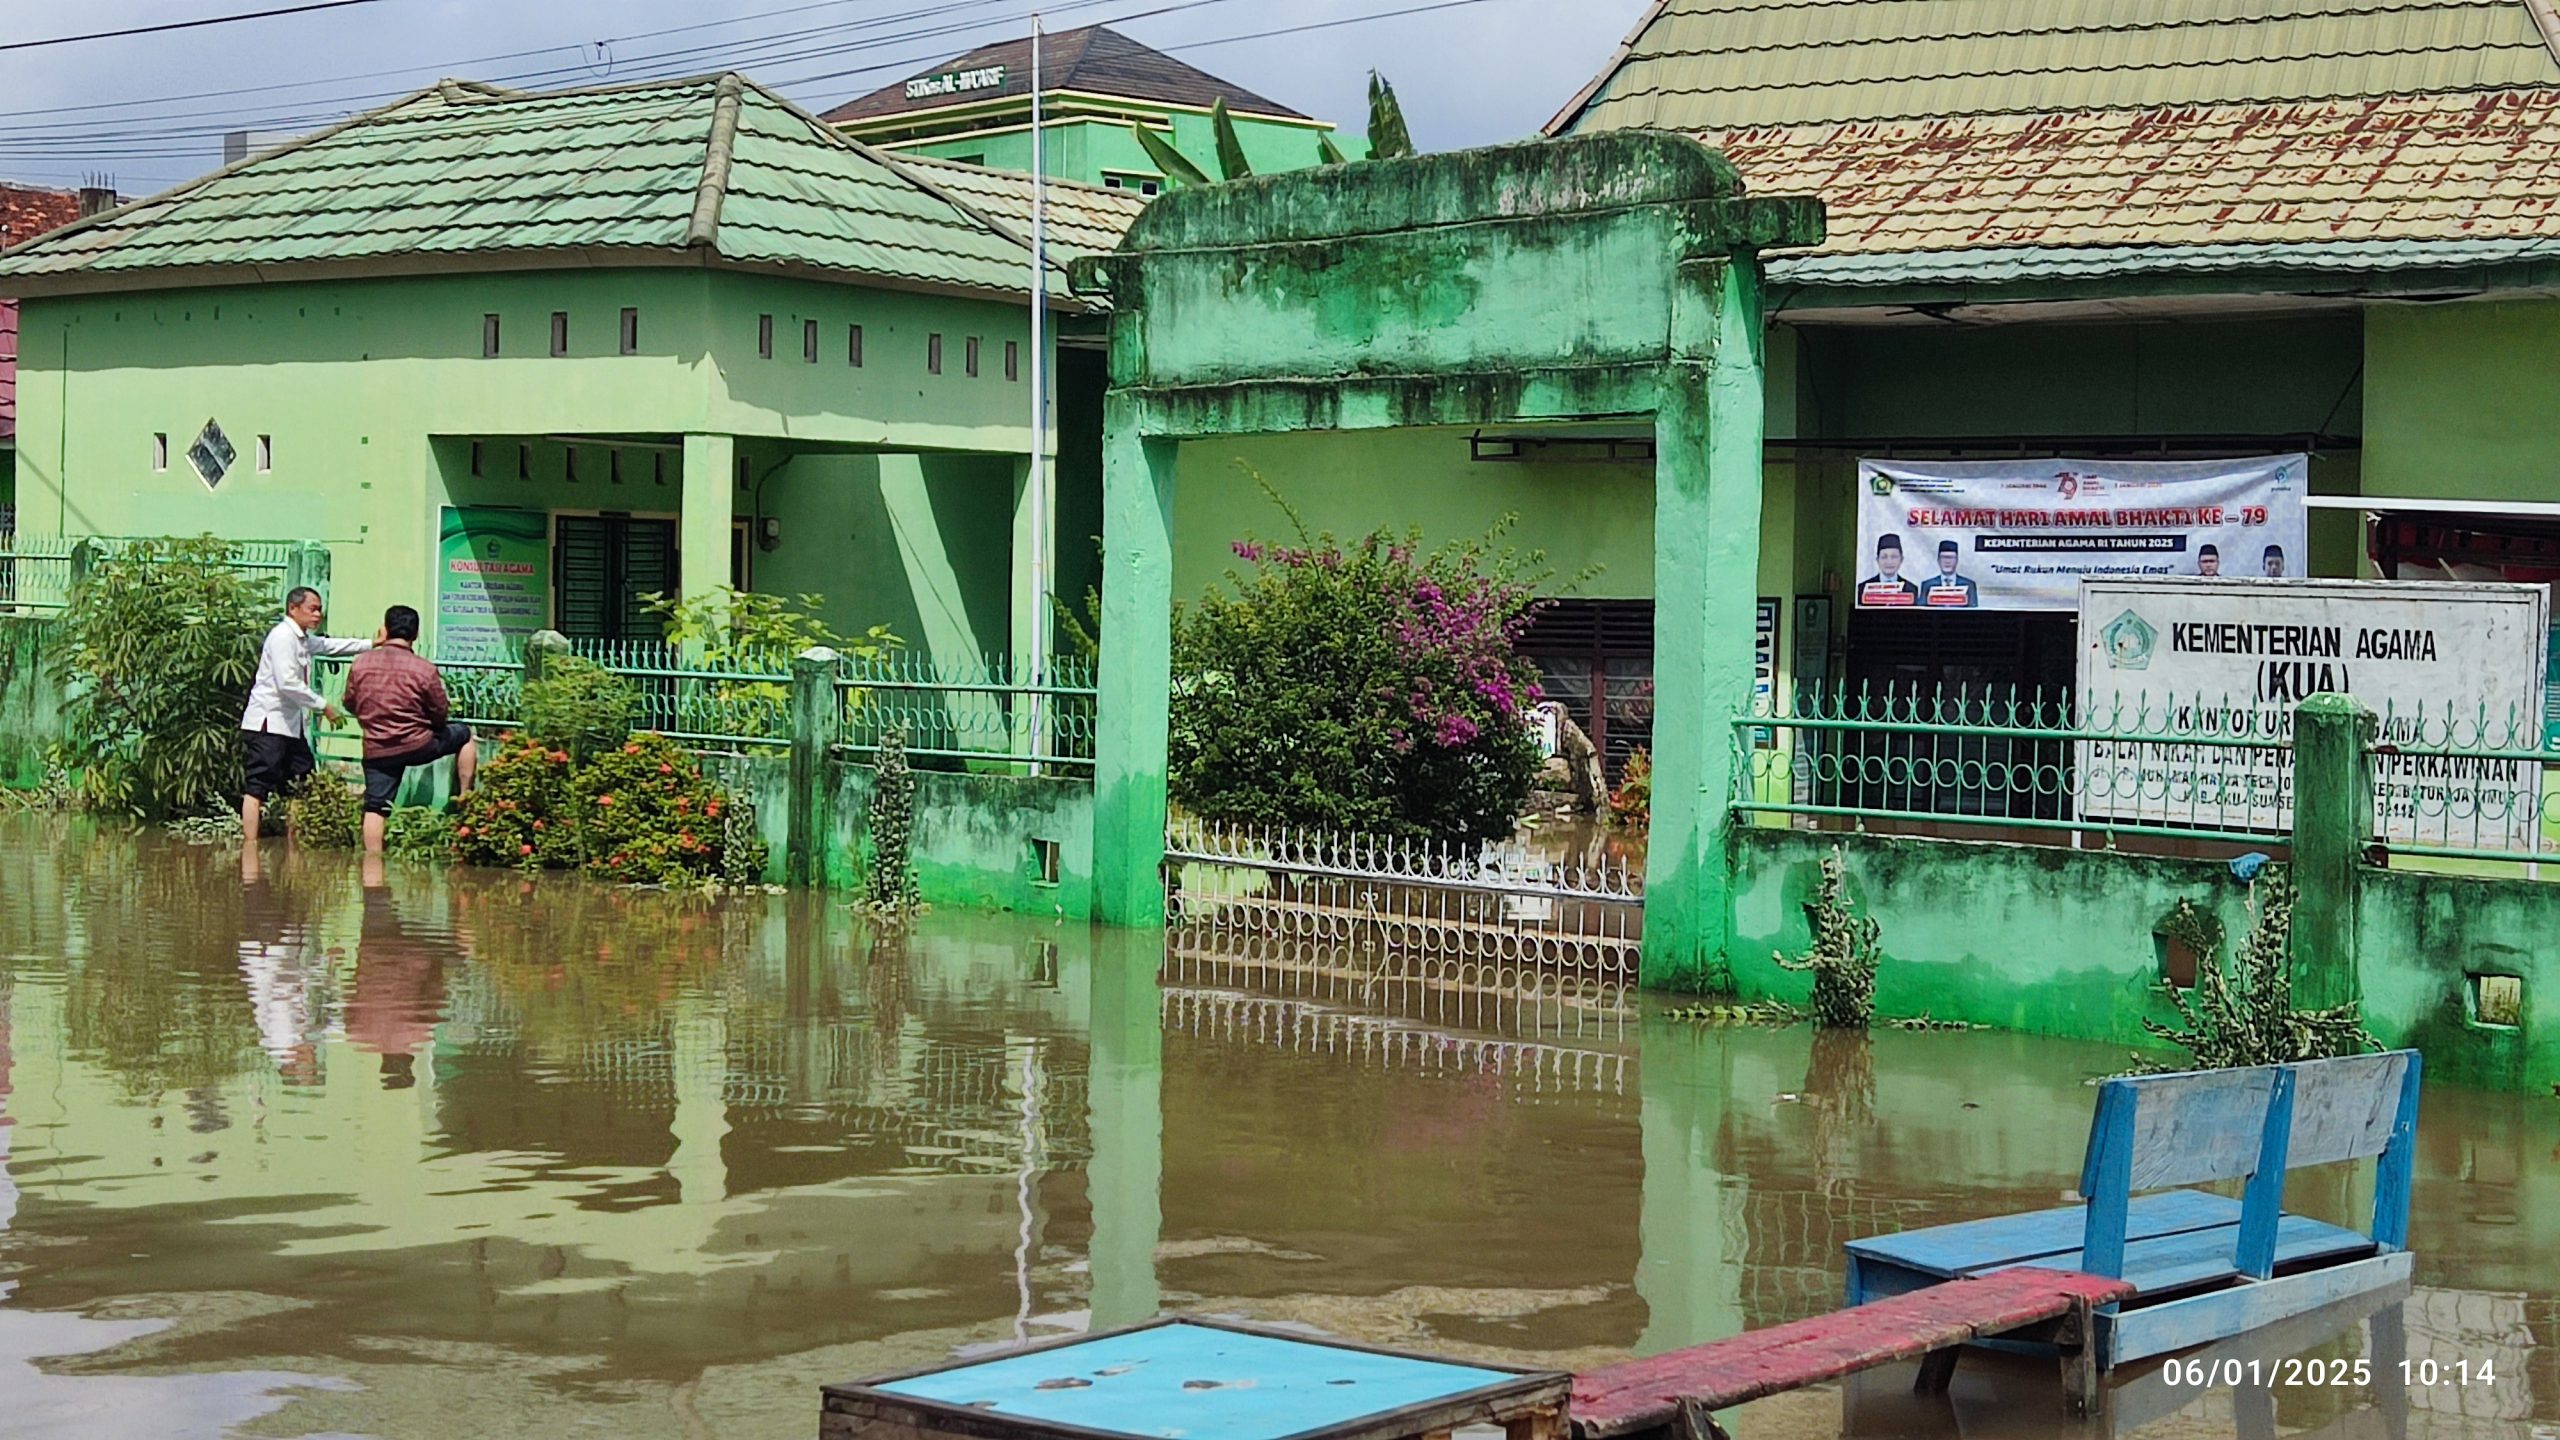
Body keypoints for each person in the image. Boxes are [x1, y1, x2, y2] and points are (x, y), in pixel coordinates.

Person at [241, 585, 374, 839]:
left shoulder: (301, 638)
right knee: (258, 786)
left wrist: (372, 643)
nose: (317, 615)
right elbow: (287, 682)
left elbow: (329, 646)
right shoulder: (282, 637)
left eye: (319, 610)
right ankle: (250, 847)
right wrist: (324, 706)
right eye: (312, 609)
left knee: (301, 782)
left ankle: (294, 845)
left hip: (289, 727)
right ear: (293, 609)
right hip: (268, 725)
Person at [344, 604, 477, 853]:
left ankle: (372, 871)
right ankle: (465, 799)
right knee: (465, 734)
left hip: (377, 748)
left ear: (384, 630)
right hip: (419, 745)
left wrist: (373, 721)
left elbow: (350, 702)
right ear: (415, 634)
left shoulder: (361, 664)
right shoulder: (424, 669)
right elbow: (440, 712)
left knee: (375, 807)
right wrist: (428, 727)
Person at [1859, 533, 1919, 607]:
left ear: (1901, 559)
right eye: (1884, 557)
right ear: (1877, 560)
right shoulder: (1863, 588)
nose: (1889, 562)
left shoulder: (1911, 589)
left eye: (1894, 557)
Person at [1918, 539, 1979, 608]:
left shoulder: (1969, 585)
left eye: (1951, 558)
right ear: (1938, 560)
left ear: (1957, 560)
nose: (1947, 561)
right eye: (1944, 557)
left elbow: (1973, 612)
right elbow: (1922, 612)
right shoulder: (1927, 585)